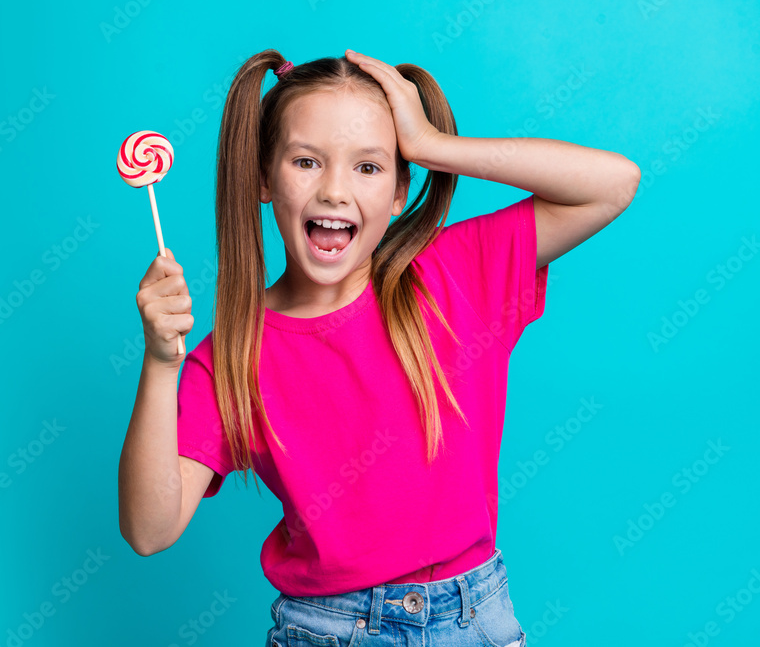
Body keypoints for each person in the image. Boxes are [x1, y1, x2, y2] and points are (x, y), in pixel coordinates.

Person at [119, 48, 640, 647]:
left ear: (399, 193)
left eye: (368, 167)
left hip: (473, 621)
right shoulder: (232, 356)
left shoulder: (455, 276)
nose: (335, 191)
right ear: (264, 178)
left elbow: (612, 184)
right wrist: (160, 363)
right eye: (307, 161)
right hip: (326, 629)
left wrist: (431, 145)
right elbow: (149, 529)